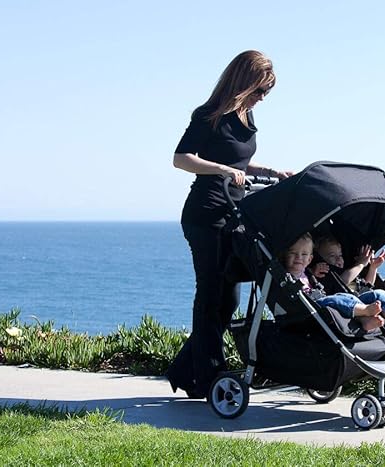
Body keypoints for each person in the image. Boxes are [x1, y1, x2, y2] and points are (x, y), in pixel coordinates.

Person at [166, 50, 292, 398]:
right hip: (205, 214)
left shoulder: (247, 117)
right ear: (244, 83)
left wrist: (272, 172)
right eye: (260, 90)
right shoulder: (209, 115)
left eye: (266, 92)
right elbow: (181, 158)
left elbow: (239, 162)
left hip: (234, 214)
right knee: (210, 296)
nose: (262, 98)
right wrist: (221, 170)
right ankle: (209, 376)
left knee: (229, 301)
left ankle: (184, 370)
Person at [283, 233, 385, 332]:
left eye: (340, 255)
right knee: (336, 299)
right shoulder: (324, 273)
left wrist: (373, 268)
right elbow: (343, 281)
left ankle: (366, 319)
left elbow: (366, 287)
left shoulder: (307, 272)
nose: (299, 257)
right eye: (293, 253)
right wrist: (361, 264)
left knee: (348, 297)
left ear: (309, 259)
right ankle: (366, 311)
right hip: (314, 305)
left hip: (330, 300)